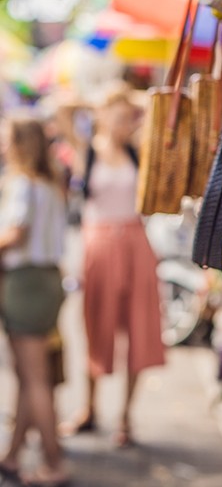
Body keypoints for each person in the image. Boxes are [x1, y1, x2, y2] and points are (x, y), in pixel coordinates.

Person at [64, 89, 164, 446]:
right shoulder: (87, 149)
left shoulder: (137, 148)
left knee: (138, 329)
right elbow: (63, 106)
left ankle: (126, 418)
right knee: (95, 327)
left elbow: (157, 111)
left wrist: (130, 102)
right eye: (118, 117)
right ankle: (89, 409)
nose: (126, 124)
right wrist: (102, 106)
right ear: (102, 115)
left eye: (128, 118)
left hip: (136, 243)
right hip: (98, 246)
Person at [0, 117, 68, 486]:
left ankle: (54, 462)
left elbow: (15, 232)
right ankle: (12, 456)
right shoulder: (51, 182)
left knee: (35, 379)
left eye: (8, 139)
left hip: (26, 282)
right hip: (46, 279)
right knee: (29, 378)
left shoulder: (23, 184)